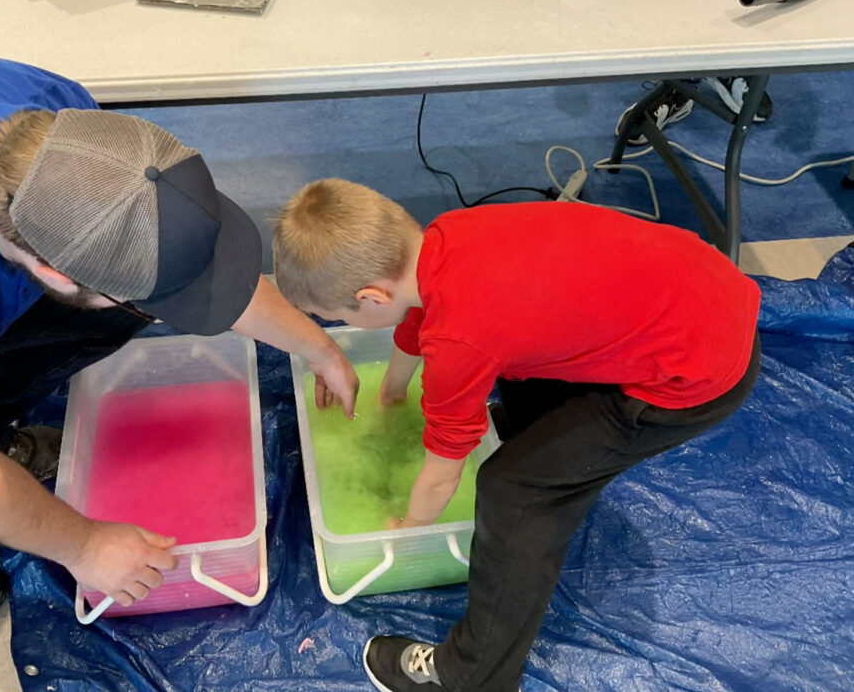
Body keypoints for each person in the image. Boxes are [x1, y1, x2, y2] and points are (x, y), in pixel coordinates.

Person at [0, 58, 358, 638]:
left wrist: (320, 349)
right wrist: (84, 544)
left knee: (124, 300)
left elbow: (182, 258)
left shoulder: (65, 122)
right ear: (54, 272)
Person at [272, 179, 761, 692]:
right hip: (703, 291)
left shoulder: (460, 338)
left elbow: (441, 477)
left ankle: (474, 674)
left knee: (515, 490)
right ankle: (541, 439)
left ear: (371, 297)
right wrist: (391, 392)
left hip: (695, 376)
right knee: (521, 360)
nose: (341, 324)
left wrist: (407, 528)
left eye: (339, 318)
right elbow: (422, 318)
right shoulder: (445, 238)